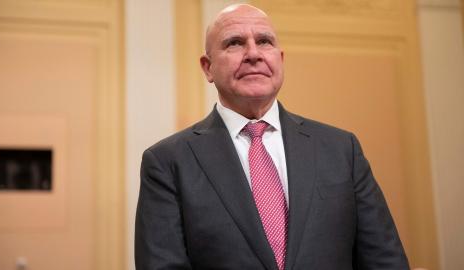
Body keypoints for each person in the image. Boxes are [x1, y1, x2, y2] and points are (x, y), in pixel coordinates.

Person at [135, 4, 409, 270]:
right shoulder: (167, 162)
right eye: (234, 43)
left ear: (280, 58)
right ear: (208, 67)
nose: (253, 53)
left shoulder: (341, 149)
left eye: (264, 41)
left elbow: (384, 260)